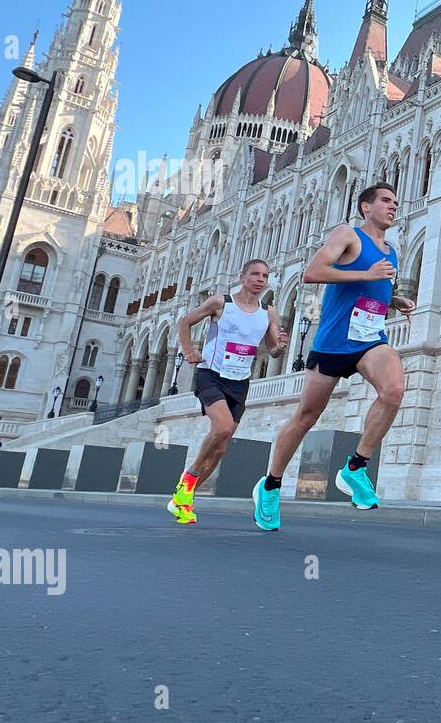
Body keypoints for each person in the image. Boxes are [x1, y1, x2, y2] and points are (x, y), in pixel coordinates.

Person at [252, 183, 414, 531]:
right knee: (306, 417)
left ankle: (355, 468)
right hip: (333, 341)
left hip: (370, 339)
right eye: (386, 201)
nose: (393, 207)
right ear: (365, 207)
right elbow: (313, 272)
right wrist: (367, 273)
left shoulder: (393, 252)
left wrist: (393, 302)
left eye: (396, 203)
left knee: (394, 390)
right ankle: (270, 485)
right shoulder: (348, 235)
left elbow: (371, 291)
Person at [169, 259, 288, 524]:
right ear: (242, 276)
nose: (260, 279)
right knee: (222, 427)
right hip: (211, 375)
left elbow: (271, 349)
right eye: (255, 274)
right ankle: (187, 480)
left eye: (265, 275)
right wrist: (189, 351)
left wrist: (280, 346)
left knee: (221, 449)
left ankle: (183, 499)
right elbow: (185, 323)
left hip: (240, 381)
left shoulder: (269, 312)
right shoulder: (220, 303)